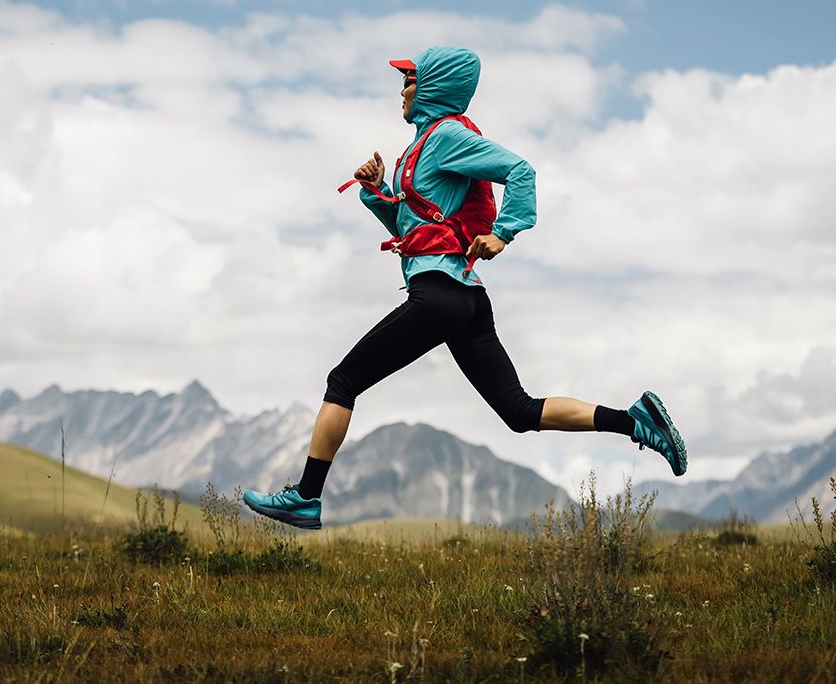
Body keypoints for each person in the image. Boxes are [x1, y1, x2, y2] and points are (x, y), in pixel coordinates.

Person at [242, 46, 686, 530]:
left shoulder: (446, 136)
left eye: (409, 82)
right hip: (465, 298)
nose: (401, 92)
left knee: (343, 382)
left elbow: (521, 171)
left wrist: (503, 232)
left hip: (440, 294)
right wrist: (377, 191)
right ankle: (636, 420)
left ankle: (306, 497)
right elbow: (415, 225)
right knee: (520, 412)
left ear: (431, 87)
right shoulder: (423, 145)